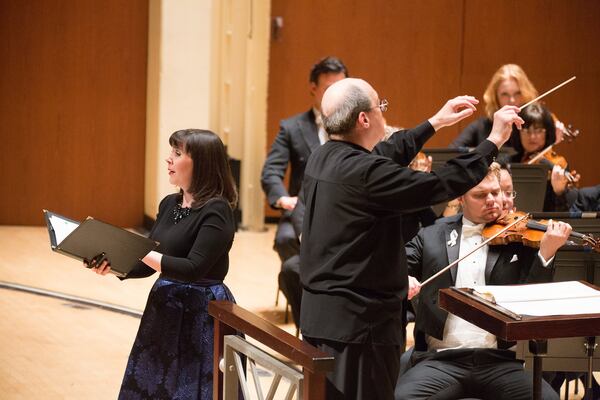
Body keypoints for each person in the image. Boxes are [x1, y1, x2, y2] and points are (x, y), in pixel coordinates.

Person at [300, 77, 523, 399]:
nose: (383, 113)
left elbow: (385, 154)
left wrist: (434, 123)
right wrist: (493, 142)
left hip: (324, 317)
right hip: (361, 327)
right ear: (364, 118)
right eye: (381, 106)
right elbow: (438, 184)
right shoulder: (366, 174)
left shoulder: (324, 157)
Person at [394, 163, 570, 400]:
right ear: (460, 197)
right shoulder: (432, 234)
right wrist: (402, 277)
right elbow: (396, 265)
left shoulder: (518, 237)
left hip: (502, 362)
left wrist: (546, 254)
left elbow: (534, 302)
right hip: (440, 361)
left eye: (496, 192)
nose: (492, 201)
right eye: (480, 195)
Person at [88, 129, 238, 400]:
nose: (168, 160)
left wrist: (136, 249)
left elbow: (193, 268)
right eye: (171, 152)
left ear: (201, 163)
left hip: (202, 312)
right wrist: (115, 264)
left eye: (178, 154)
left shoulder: (217, 209)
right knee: (154, 385)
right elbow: (149, 264)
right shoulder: (169, 204)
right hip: (165, 307)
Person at [262, 56, 348, 328]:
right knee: (287, 239)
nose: (336, 96)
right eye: (328, 88)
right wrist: (281, 197)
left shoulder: (357, 125)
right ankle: (306, 314)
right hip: (301, 211)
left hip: (344, 213)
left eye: (342, 89)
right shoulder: (291, 127)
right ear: (313, 88)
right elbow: (271, 171)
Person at [506, 103, 579, 211]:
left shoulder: (557, 164)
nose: (532, 136)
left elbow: (563, 212)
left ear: (547, 132)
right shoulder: (509, 161)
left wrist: (559, 192)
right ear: (518, 132)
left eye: (539, 130)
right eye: (526, 130)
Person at [450, 64, 538, 148]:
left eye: (518, 93)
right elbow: (450, 153)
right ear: (495, 97)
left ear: (526, 94)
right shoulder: (481, 126)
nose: (512, 100)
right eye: (505, 94)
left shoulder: (537, 126)